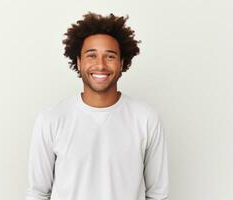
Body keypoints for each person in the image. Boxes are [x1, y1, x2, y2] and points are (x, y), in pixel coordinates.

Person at [26, 12, 169, 200]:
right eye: (91, 55)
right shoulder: (51, 119)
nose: (100, 65)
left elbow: (158, 194)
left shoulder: (146, 119)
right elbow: (37, 193)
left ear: (122, 62)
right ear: (78, 61)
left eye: (110, 56)